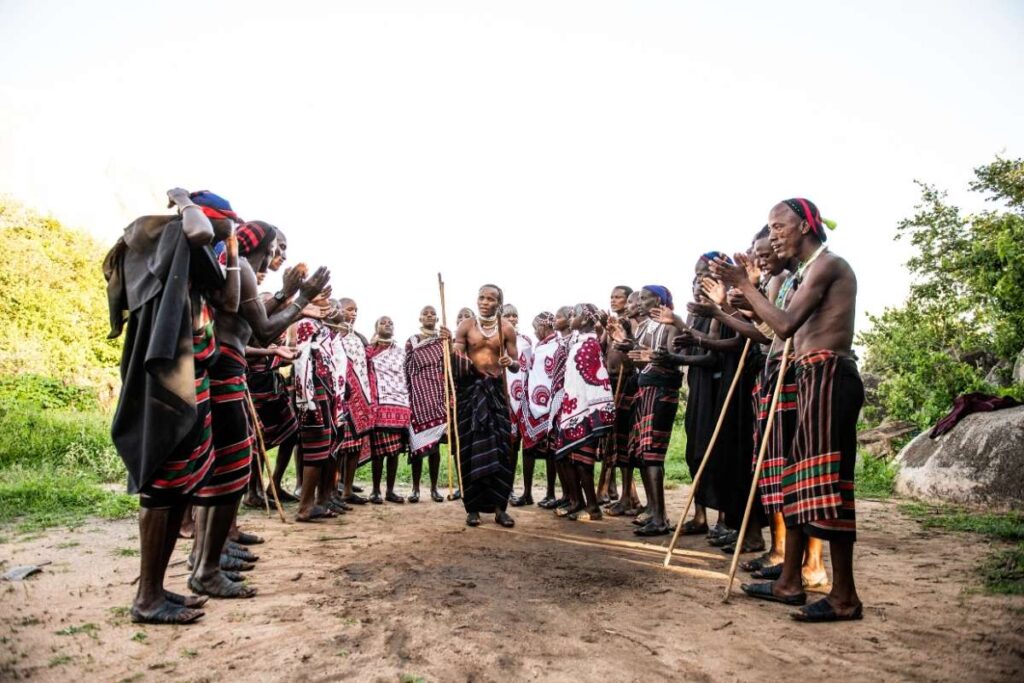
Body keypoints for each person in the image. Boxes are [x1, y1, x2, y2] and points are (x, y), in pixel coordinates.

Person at [712, 197, 864, 622]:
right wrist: (743, 296)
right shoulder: (802, 273)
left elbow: (784, 325)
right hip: (809, 378)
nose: (773, 235)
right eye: (771, 227)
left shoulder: (828, 265)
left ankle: (845, 596)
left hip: (830, 375)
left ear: (805, 226)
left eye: (779, 226)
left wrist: (744, 285)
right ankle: (789, 581)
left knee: (829, 485)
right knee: (799, 482)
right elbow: (774, 325)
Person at [104, 187, 241, 624]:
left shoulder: (195, 258)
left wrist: (231, 245)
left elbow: (230, 300)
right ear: (206, 215)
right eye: (229, 220)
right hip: (165, 387)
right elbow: (198, 230)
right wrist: (184, 200)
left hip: (191, 380)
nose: (233, 227)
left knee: (180, 486)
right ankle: (146, 598)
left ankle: (157, 589)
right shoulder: (173, 236)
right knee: (162, 487)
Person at [190, 218, 329, 598]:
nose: (278, 255)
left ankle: (210, 555)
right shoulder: (243, 269)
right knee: (231, 470)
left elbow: (251, 323)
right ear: (262, 246)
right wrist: (300, 299)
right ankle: (206, 565)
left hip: (226, 371)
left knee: (226, 468)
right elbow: (264, 329)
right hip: (224, 373)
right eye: (276, 247)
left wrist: (288, 297)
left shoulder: (239, 270)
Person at [446, 284, 518, 528]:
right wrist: (450, 347)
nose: (485, 302)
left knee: (501, 449)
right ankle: (473, 509)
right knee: (469, 447)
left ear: (499, 303)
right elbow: (456, 357)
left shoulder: (506, 328)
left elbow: (517, 363)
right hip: (471, 393)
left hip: (496, 394)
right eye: (482, 298)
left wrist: (510, 362)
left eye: (490, 299)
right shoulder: (466, 326)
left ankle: (500, 509)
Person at [622, 286, 682, 536]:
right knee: (644, 455)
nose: (640, 302)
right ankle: (654, 512)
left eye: (645, 298)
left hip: (662, 390)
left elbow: (675, 356)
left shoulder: (670, 324)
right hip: (645, 389)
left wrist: (652, 356)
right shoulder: (646, 327)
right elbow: (639, 359)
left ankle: (660, 518)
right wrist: (627, 345)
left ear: (658, 300)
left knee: (653, 454)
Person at [551, 304, 616, 521]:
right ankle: (577, 502)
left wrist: (598, 415)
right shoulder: (579, 343)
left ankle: (593, 508)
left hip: (586, 412)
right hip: (572, 410)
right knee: (567, 458)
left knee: (582, 462)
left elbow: (596, 380)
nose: (571, 318)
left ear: (586, 319)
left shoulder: (589, 344)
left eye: (575, 315)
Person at [292, 300, 342, 521]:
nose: (328, 304)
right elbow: (301, 360)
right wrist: (306, 398)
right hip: (313, 393)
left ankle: (314, 503)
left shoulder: (321, 326)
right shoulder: (306, 324)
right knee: (315, 447)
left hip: (324, 391)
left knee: (323, 448)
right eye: (322, 298)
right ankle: (305, 507)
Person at [405, 305, 447, 503]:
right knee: (416, 445)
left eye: (432, 314)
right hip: (417, 397)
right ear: (420, 318)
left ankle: (434, 488)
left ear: (437, 319)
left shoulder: (442, 340)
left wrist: (449, 341)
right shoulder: (412, 341)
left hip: (437, 396)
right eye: (425, 313)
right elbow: (406, 368)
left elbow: (448, 366)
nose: (429, 316)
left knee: (435, 446)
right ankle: (415, 489)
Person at [516, 312, 559, 507]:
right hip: (531, 406)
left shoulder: (557, 346)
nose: (534, 332)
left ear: (544, 327)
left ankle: (550, 493)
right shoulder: (540, 346)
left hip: (549, 406)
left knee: (551, 451)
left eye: (536, 328)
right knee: (528, 449)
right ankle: (527, 493)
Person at [366, 316, 411, 504]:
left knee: (394, 452)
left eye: (390, 322)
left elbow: (406, 375)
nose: (387, 325)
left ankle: (390, 491)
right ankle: (375, 490)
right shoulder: (369, 351)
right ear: (376, 328)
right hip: (379, 405)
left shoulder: (401, 353)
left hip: (400, 405)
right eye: (383, 322)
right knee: (378, 452)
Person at [336, 298, 376, 504]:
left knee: (355, 445)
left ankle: (347, 489)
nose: (353, 313)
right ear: (339, 310)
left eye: (356, 310)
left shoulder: (358, 337)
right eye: (349, 309)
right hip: (342, 396)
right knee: (338, 446)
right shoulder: (333, 335)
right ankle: (332, 489)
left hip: (361, 396)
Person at [502, 303, 534, 505]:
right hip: (503, 396)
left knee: (523, 445)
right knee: (507, 446)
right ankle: (505, 487)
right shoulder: (496, 339)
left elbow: (530, 368)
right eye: (508, 315)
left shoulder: (526, 341)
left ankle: (523, 490)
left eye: (515, 315)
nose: (512, 319)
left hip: (524, 397)